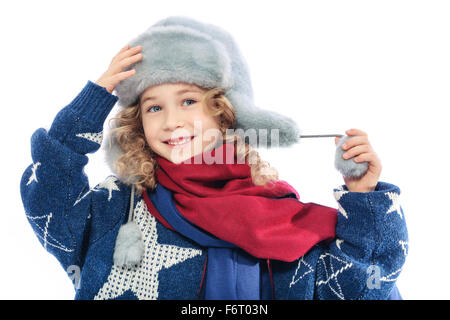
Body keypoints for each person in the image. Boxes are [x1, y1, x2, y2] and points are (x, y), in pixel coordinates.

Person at [20, 16, 408, 300]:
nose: (172, 122)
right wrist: (91, 102)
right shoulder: (119, 204)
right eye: (153, 108)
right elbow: (50, 207)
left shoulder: (282, 217)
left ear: (223, 113)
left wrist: (364, 197)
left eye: (189, 101)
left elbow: (362, 289)